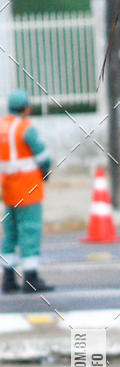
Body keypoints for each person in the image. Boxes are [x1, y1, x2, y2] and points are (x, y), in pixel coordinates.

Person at [0, 89, 53, 293]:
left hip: (8, 189)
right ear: (26, 108)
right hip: (28, 189)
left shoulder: (2, 127)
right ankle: (30, 278)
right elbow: (43, 157)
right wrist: (46, 173)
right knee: (30, 230)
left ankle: (8, 278)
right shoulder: (26, 128)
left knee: (10, 233)